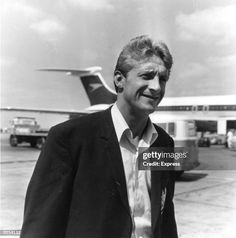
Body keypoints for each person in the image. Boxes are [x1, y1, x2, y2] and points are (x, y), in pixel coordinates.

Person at [20, 35, 178, 238]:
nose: (156, 87)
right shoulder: (68, 138)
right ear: (119, 80)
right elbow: (40, 226)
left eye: (162, 79)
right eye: (147, 76)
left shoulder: (164, 143)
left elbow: (166, 217)